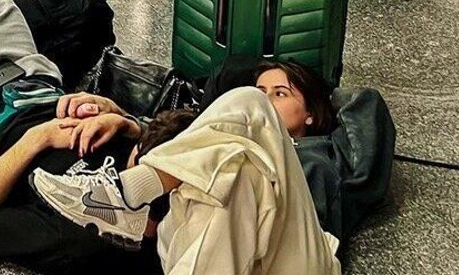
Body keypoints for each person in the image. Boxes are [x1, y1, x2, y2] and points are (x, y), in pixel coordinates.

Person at [20, 85, 342, 274]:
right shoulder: (225, 163)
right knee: (230, 171)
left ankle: (129, 193)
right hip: (221, 248)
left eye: (281, 93)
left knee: (249, 105)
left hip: (293, 257)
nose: (269, 98)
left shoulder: (316, 157)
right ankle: (129, 194)